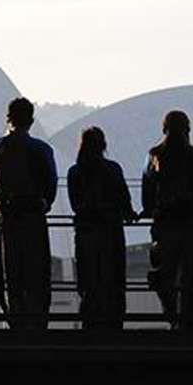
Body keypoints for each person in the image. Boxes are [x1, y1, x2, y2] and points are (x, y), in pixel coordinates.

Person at [0, 97, 59, 331]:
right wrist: (43, 203)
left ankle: (14, 320)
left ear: (8, 118)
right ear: (31, 120)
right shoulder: (41, 149)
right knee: (36, 271)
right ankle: (37, 322)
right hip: (33, 216)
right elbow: (51, 184)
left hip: (7, 217)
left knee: (9, 272)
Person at [141, 109, 193, 330]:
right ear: (188, 129)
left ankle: (172, 318)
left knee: (166, 276)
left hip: (165, 227)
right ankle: (190, 321)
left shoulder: (153, 156)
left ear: (164, 129)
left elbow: (147, 198)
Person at [66, 126, 134, 330]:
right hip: (111, 232)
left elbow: (75, 204)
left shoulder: (75, 172)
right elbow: (125, 203)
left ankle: (90, 324)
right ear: (103, 145)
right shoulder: (113, 169)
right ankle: (114, 324)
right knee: (113, 281)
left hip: (86, 232)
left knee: (89, 283)